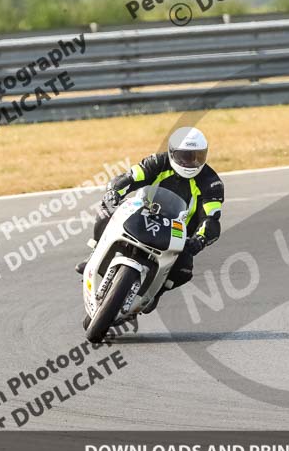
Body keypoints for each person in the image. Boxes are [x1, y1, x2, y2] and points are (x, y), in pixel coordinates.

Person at [76, 126, 224, 313]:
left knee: (184, 270)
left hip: (177, 232)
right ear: (172, 153)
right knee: (106, 212)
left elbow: (212, 218)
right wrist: (114, 192)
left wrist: (200, 239)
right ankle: (96, 252)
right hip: (144, 214)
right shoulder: (158, 162)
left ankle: (156, 292)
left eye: (197, 157)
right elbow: (130, 177)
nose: (190, 162)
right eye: (185, 156)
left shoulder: (211, 182)